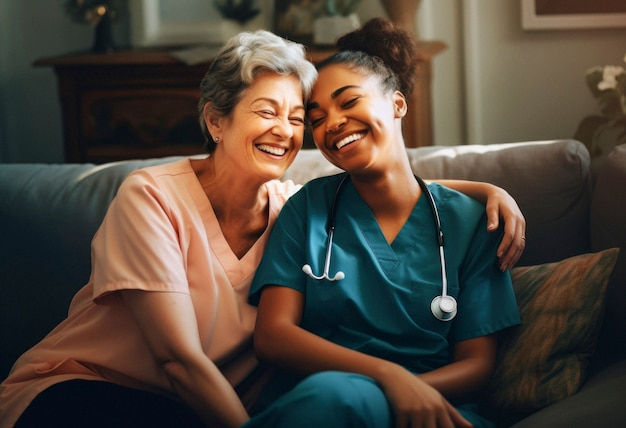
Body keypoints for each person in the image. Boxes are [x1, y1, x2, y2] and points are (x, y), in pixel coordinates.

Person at [0, 28, 522, 428]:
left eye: (298, 118)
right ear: (216, 121)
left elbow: (390, 187)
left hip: (193, 406)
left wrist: (485, 192)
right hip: (90, 386)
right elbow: (179, 360)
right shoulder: (153, 196)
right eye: (268, 111)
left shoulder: (290, 207)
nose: (287, 131)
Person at [246, 18, 522, 428]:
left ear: (397, 104)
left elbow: (478, 363)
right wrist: (389, 379)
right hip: (327, 402)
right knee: (335, 398)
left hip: (436, 408)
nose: (333, 123)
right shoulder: (307, 209)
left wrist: (415, 393)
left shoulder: (472, 223)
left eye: (348, 101)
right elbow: (273, 337)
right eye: (317, 118)